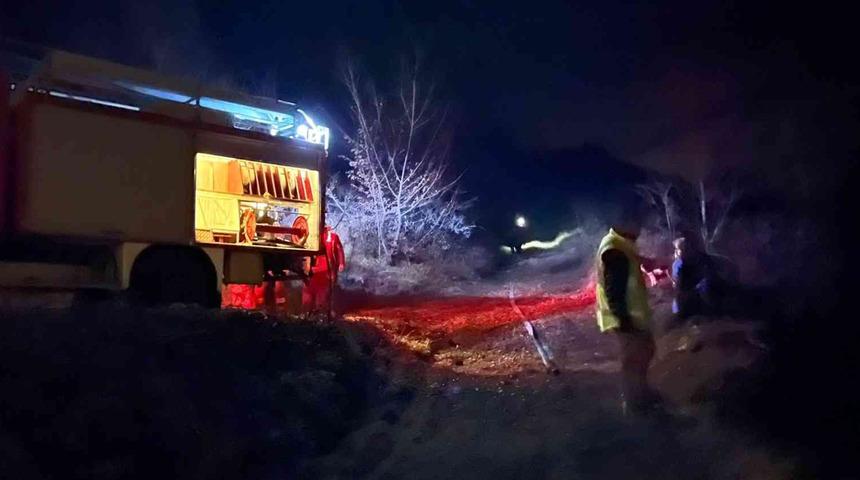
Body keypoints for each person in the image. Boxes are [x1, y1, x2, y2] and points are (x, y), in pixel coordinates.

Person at [595, 216, 661, 415]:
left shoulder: (618, 244)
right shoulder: (615, 250)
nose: (640, 230)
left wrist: (645, 262)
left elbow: (626, 263)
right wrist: (624, 321)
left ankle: (641, 395)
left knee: (645, 352)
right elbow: (614, 290)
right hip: (626, 318)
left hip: (631, 316)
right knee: (634, 361)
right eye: (637, 225)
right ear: (626, 225)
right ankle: (636, 406)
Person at [302, 225, 346, 317]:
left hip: (329, 268)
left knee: (326, 291)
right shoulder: (312, 238)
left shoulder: (333, 237)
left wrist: (341, 263)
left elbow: (339, 250)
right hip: (315, 269)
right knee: (311, 290)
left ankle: (324, 311)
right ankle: (309, 311)